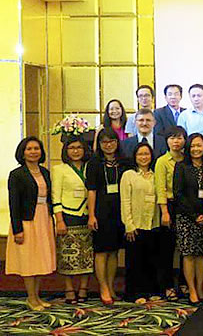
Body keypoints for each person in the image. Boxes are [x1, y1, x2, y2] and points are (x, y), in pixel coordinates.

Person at [6, 137, 55, 310]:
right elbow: (14, 204)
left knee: (41, 259)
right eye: (29, 149)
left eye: (36, 148)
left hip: (44, 219)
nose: (33, 152)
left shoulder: (45, 172)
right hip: (27, 221)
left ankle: (37, 296)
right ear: (23, 152)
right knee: (29, 260)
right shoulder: (16, 175)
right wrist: (17, 229)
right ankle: (31, 298)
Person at [86, 128, 128, 304]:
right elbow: (92, 190)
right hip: (101, 212)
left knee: (114, 251)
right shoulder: (94, 163)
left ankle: (111, 286)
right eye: (104, 142)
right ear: (99, 144)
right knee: (101, 251)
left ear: (117, 142)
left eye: (112, 141)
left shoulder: (124, 162)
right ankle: (103, 287)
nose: (108, 145)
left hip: (120, 211)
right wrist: (91, 215)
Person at [52, 136, 93, 304]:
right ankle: (69, 289)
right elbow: (55, 195)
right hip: (68, 215)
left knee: (86, 254)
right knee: (67, 255)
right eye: (72, 148)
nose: (75, 151)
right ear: (66, 151)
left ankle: (83, 288)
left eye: (79, 147)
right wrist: (59, 220)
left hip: (88, 214)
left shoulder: (90, 167)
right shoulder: (59, 169)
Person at [173, 133, 203, 305]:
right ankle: (191, 290)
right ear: (188, 148)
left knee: (201, 254)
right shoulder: (181, 167)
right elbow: (178, 194)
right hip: (186, 217)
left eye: (199, 145)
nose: (196, 149)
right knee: (188, 254)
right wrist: (195, 215)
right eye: (193, 146)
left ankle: (200, 287)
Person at [121, 142, 161, 302]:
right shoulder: (129, 175)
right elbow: (125, 201)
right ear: (135, 157)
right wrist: (128, 225)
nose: (144, 157)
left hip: (153, 223)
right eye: (140, 154)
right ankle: (134, 293)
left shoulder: (155, 174)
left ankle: (150, 291)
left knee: (150, 260)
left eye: (146, 154)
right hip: (135, 224)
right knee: (134, 261)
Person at [154, 126, 187, 301]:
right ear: (167, 140)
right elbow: (160, 188)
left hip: (185, 206)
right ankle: (167, 286)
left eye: (180, 138)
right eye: (173, 138)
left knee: (185, 247)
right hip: (168, 206)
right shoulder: (162, 161)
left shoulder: (187, 159)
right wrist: (164, 211)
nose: (176, 141)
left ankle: (184, 283)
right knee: (167, 249)